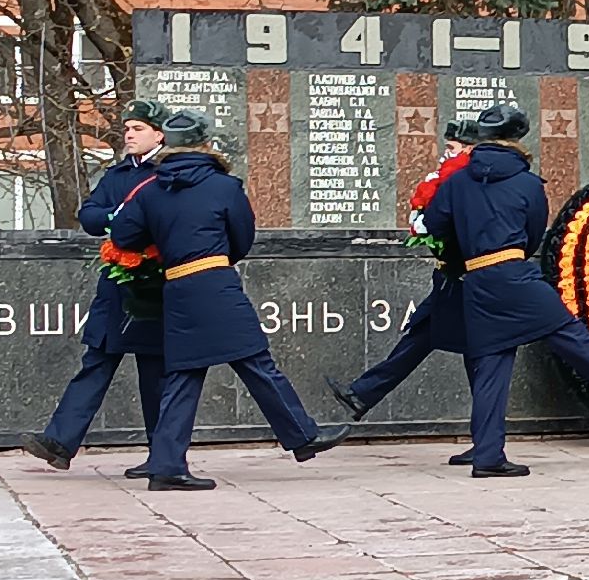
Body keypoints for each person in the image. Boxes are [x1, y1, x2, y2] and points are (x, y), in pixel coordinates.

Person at [108, 112, 350, 490]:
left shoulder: (152, 189)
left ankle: (167, 464)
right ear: (205, 145)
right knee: (255, 360)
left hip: (177, 286)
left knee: (184, 374)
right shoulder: (224, 187)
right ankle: (302, 437)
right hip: (215, 281)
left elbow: (123, 235)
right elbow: (242, 237)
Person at [425, 104, 589, 478]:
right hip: (515, 273)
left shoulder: (456, 182)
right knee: (569, 333)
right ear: (515, 140)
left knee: (491, 366)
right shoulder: (527, 184)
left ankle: (487, 454)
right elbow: (535, 234)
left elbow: (435, 224)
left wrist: (468, 251)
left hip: (477, 280)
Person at [23, 99, 170, 472]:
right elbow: (89, 214)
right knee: (96, 362)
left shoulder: (170, 170)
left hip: (153, 285)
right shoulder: (118, 174)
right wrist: (116, 217)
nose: (129, 135)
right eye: (127, 129)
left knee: (155, 375)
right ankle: (60, 441)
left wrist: (136, 220)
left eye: (137, 129)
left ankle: (162, 455)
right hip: (116, 285)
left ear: (159, 133)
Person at [326, 120, 477, 464]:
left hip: (466, 282)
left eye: (452, 149)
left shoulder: (466, 181)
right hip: (450, 281)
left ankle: (486, 441)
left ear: (469, 149)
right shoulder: (455, 179)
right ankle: (362, 394)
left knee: (476, 362)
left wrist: (429, 225)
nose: (445, 155)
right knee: (421, 338)